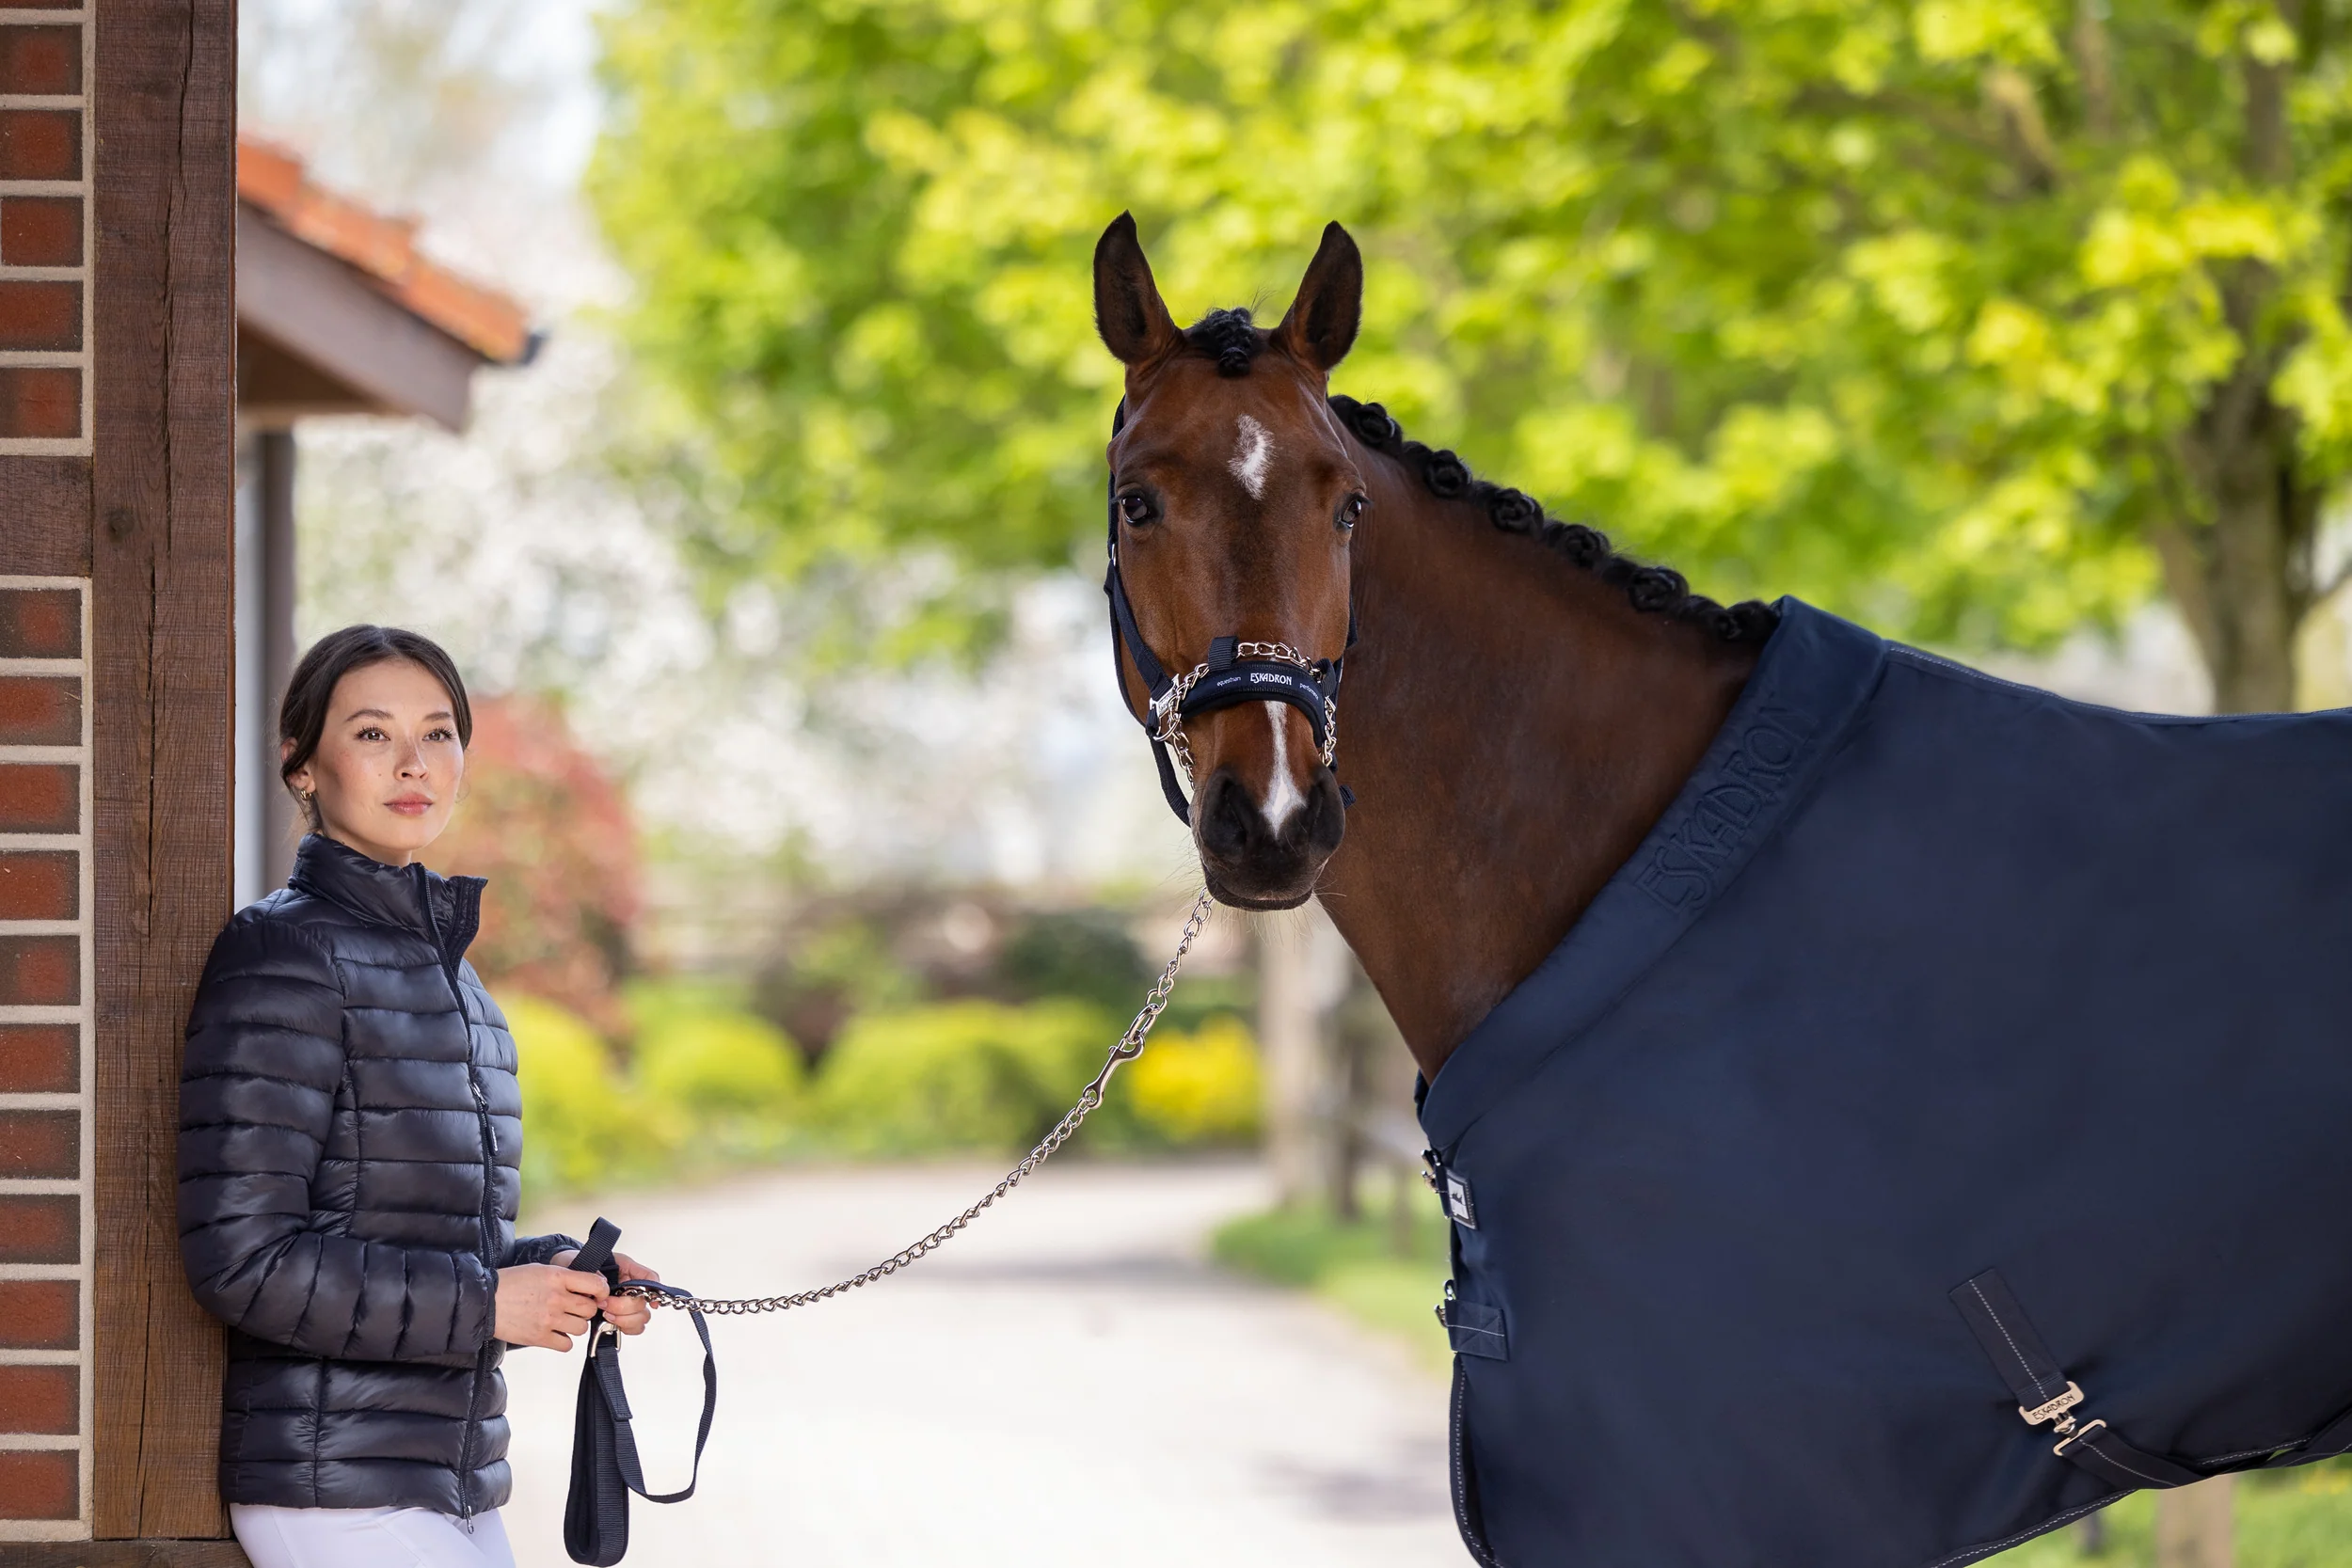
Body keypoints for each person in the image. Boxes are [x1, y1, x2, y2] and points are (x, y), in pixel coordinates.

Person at [178, 625, 660, 1568]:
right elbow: (243, 1257)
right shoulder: (282, 955)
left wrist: (555, 1275)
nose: (413, 762)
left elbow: (428, 1247)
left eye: (438, 734)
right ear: (302, 767)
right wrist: (488, 1302)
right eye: (370, 733)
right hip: (335, 1490)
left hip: (454, 1483)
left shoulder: (460, 985)